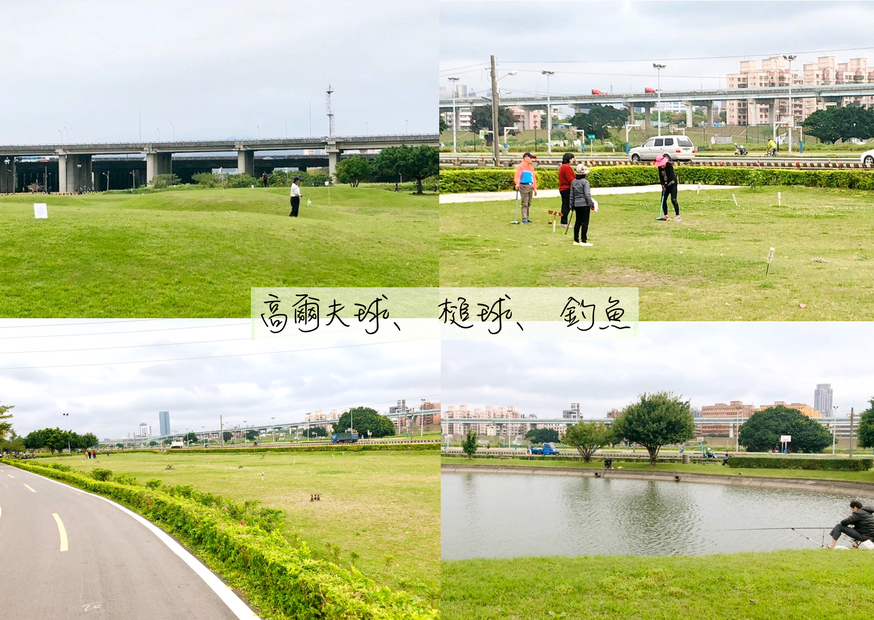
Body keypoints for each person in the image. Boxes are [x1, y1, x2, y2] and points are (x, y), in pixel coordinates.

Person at [569, 163, 595, 246]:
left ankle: (576, 240)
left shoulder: (573, 182)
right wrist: (591, 203)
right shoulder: (585, 182)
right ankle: (584, 240)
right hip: (584, 204)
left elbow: (571, 194)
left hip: (576, 204)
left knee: (578, 222)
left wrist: (571, 204)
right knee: (585, 222)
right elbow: (587, 194)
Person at [513, 152, 538, 224]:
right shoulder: (521, 166)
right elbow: (517, 175)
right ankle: (524, 218)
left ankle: (527, 217)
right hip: (523, 185)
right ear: (525, 158)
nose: (531, 160)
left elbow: (533, 178)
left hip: (530, 185)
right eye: (530, 158)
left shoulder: (531, 167)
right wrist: (517, 183)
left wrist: (535, 187)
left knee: (529, 202)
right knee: (525, 203)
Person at [654, 155, 680, 221]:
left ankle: (677, 216)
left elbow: (671, 176)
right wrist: (662, 184)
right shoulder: (660, 168)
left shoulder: (669, 166)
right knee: (663, 200)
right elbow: (661, 177)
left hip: (672, 184)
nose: (661, 166)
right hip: (665, 186)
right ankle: (666, 215)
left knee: (673, 200)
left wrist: (666, 184)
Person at [557, 152, 576, 226]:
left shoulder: (562, 166)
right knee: (566, 206)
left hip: (563, 188)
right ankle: (564, 222)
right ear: (569, 159)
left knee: (565, 205)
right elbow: (570, 179)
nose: (573, 160)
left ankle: (563, 221)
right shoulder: (567, 167)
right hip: (566, 188)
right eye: (572, 159)